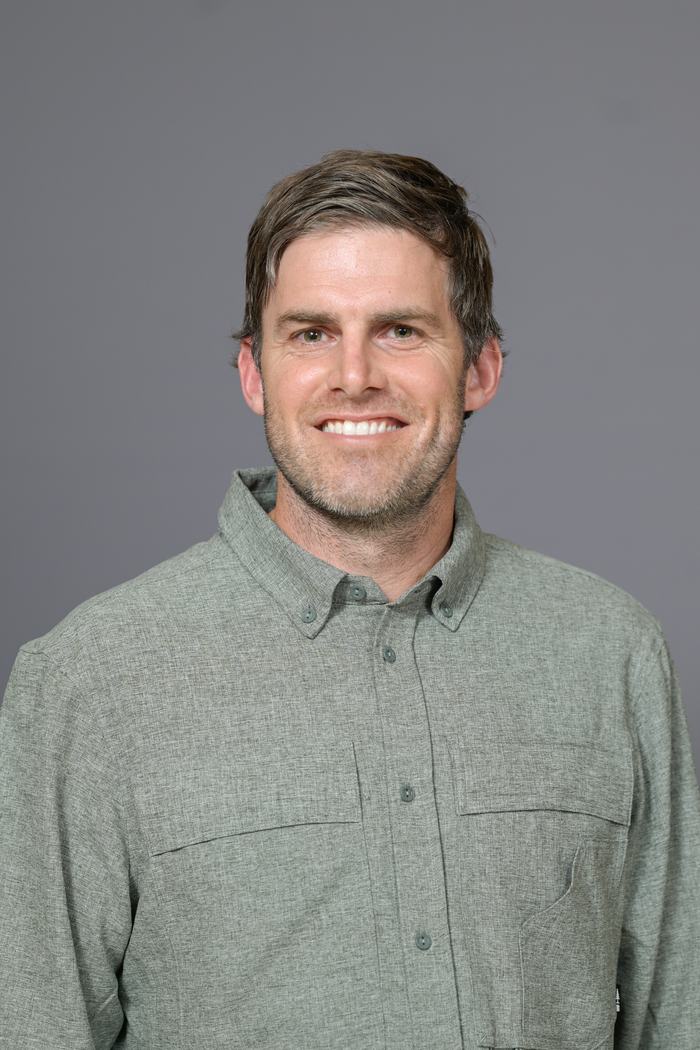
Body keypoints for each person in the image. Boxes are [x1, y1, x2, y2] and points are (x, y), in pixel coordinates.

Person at [1, 148, 698, 1050]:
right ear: (253, 372)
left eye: (401, 330)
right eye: (311, 333)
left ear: (481, 368)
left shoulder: (611, 653)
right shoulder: (90, 681)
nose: (355, 374)